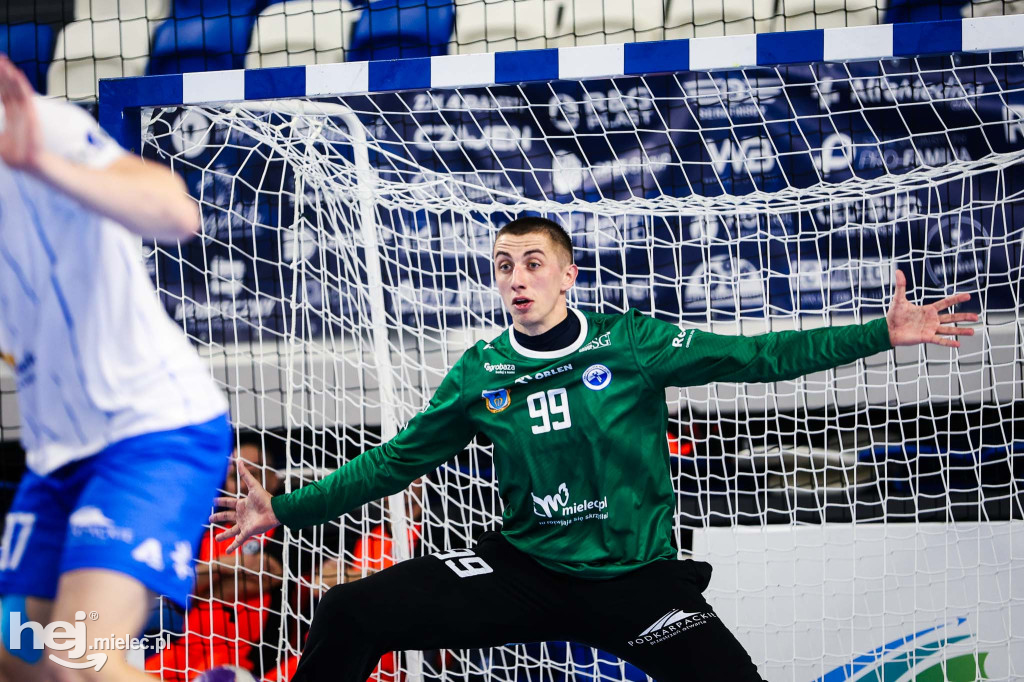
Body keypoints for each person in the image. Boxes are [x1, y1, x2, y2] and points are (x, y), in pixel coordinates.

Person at [214, 216, 977, 681]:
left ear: (568, 274)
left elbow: (758, 357)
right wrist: (283, 507)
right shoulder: (481, 372)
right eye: (504, 266)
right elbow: (393, 464)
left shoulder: (633, 343)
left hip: (636, 585)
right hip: (520, 572)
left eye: (533, 263)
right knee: (351, 610)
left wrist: (882, 332)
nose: (518, 279)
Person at [0, 55, 231, 682]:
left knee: (80, 662)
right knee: (17, 661)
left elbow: (176, 212)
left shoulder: (33, 128)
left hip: (153, 432)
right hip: (55, 460)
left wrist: (39, 165)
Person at [145, 439, 283, 681]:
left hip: (248, 653)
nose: (242, 484)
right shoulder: (204, 533)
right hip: (187, 647)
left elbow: (268, 575)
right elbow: (180, 589)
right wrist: (223, 567)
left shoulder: (287, 529)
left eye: (252, 474)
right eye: (234, 476)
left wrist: (208, 577)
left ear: (274, 479)